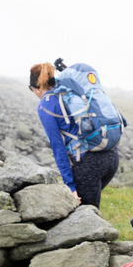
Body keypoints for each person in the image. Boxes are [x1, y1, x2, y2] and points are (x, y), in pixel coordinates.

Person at [29, 61, 119, 208]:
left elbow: (58, 147)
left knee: (86, 216)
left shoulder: (46, 104)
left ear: (36, 88)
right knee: (91, 210)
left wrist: (70, 186)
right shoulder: (71, 92)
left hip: (88, 163)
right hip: (111, 154)